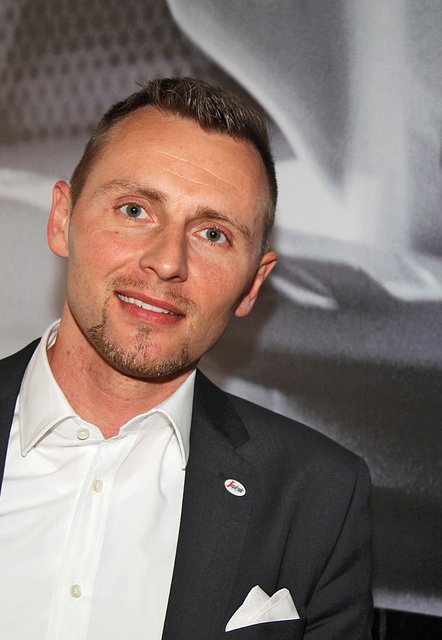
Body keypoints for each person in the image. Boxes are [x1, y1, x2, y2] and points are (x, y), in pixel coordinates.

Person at [0, 77, 372, 639]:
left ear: (253, 284)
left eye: (213, 235)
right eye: (135, 210)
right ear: (62, 220)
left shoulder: (319, 496)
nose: (168, 261)